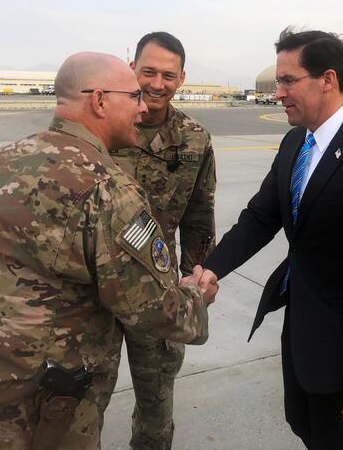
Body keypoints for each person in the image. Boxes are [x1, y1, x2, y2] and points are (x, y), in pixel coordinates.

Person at [0, 52, 217, 449]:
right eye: (133, 96)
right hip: (43, 396)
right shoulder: (108, 190)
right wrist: (196, 300)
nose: (142, 106)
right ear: (99, 101)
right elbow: (153, 310)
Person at [197, 28, 343, 449]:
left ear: (328, 80)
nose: (278, 92)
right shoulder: (295, 141)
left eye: (288, 81)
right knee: (305, 428)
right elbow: (261, 216)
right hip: (302, 329)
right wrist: (212, 267)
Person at [112, 32, 216, 450]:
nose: (157, 83)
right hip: (92, 288)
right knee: (80, 396)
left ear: (182, 78)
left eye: (168, 75)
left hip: (158, 286)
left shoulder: (194, 138)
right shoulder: (104, 125)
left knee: (156, 396)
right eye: (148, 71)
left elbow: (199, 213)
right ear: (132, 67)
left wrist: (199, 274)